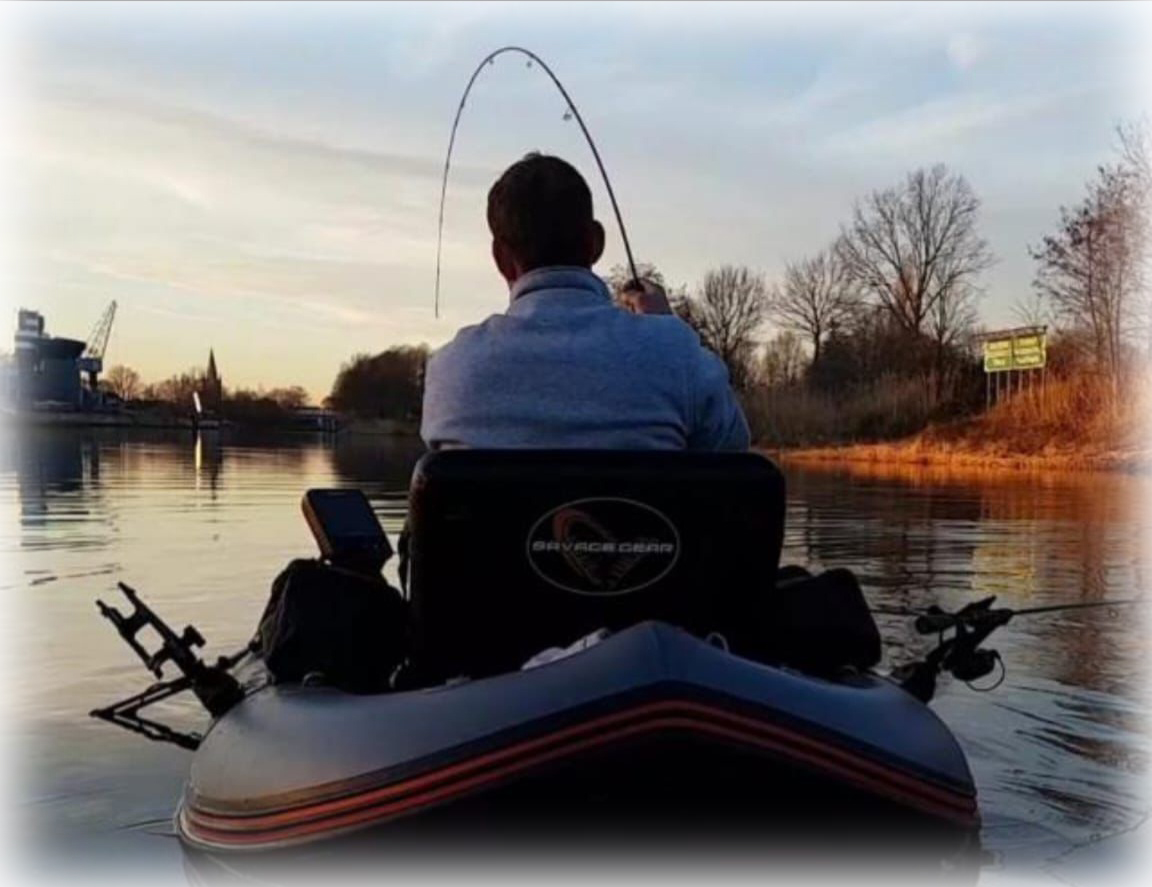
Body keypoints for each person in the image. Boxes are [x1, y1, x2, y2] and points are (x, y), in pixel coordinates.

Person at [420, 152, 750, 451]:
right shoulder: (675, 353)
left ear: (500, 259)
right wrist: (664, 326)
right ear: (595, 243)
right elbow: (734, 453)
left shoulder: (449, 372)